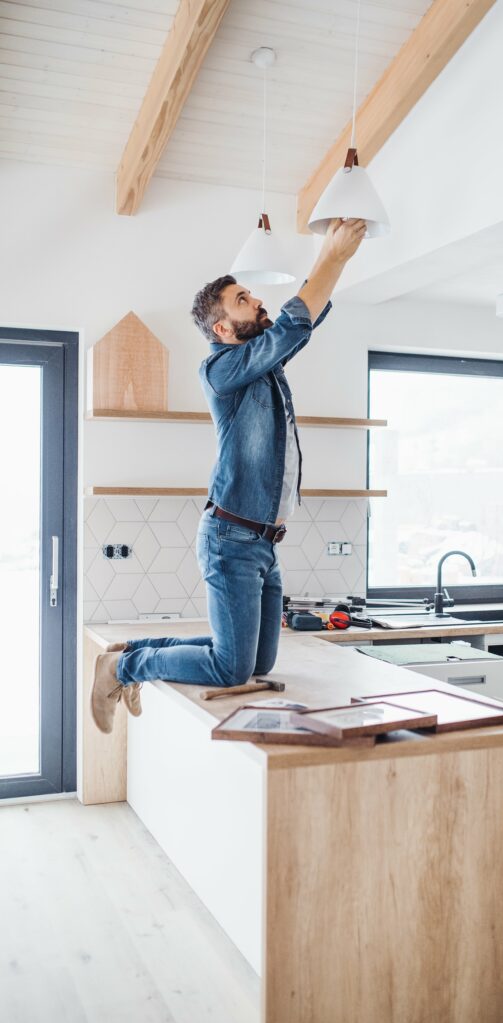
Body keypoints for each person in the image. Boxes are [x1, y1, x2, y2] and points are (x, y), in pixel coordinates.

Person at [90, 217, 367, 734]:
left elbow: (299, 326)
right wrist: (331, 257)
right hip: (231, 539)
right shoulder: (220, 370)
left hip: (264, 543)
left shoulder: (265, 368)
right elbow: (290, 326)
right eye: (243, 300)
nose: (257, 301)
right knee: (230, 667)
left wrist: (337, 264)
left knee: (256, 664)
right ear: (222, 329)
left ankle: (134, 650)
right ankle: (124, 667)